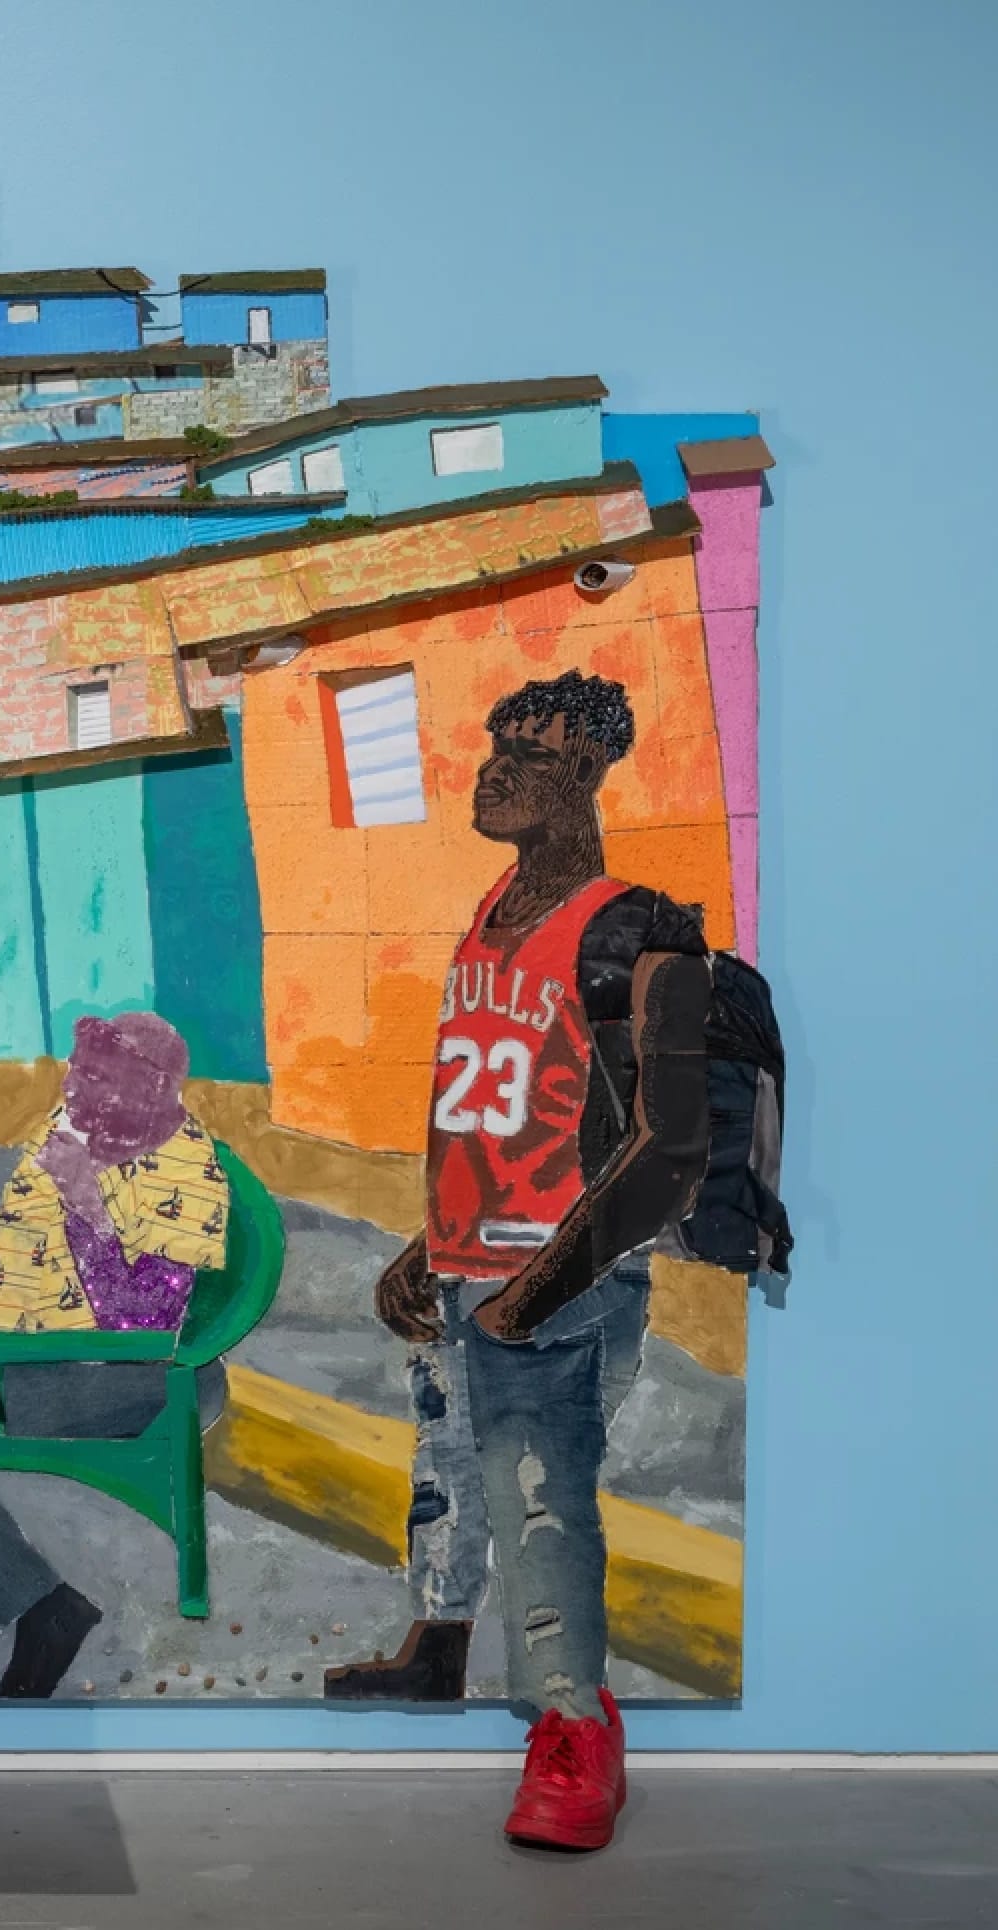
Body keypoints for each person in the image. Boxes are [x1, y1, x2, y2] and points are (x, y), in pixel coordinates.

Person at [328, 671, 710, 1854]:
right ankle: (440, 1651)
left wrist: (530, 1291)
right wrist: (428, 1243)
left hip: (561, 1284)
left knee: (542, 1510)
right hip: (466, 1271)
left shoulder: (639, 928)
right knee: (449, 1473)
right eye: (495, 746)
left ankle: (575, 1740)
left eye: (532, 755)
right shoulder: (490, 911)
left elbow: (672, 1146)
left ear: (587, 774)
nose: (497, 770)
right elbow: (497, 1110)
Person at [0, 1012, 228, 1697]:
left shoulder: (185, 1170)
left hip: (134, 1378)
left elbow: (140, 1322)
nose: (74, 1085)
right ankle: (41, 1605)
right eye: (76, 1068)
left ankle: (41, 1610)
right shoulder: (81, 1125)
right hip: (43, 1359)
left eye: (97, 1075)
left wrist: (83, 1198)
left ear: (152, 1086)